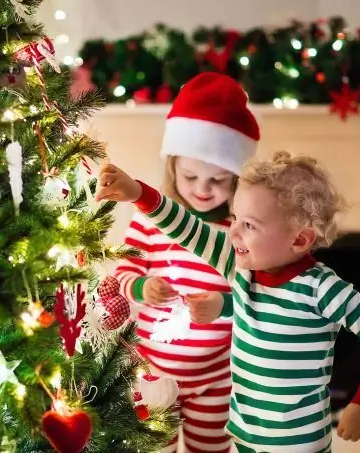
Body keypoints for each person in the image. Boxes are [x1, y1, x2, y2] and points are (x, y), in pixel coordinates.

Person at [96, 151, 360, 453]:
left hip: (299, 444)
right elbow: (187, 228)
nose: (234, 231)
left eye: (250, 225)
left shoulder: (321, 288)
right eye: (236, 218)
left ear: (299, 240)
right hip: (245, 437)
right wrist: (138, 193)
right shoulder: (240, 269)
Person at [105, 73, 260, 453]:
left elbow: (255, 294)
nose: (203, 189)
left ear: (237, 181)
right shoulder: (151, 220)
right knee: (155, 447)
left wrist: (222, 306)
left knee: (214, 449)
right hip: (155, 373)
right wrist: (141, 287)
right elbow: (124, 271)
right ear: (173, 165)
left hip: (218, 377)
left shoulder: (239, 231)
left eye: (219, 180)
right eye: (191, 176)